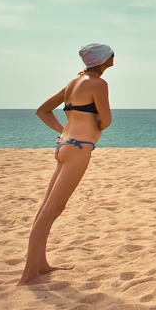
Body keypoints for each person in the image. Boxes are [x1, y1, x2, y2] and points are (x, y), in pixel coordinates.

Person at [18, 42, 115, 285]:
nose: (114, 58)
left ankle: (40, 263)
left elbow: (43, 111)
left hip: (65, 145)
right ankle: (29, 275)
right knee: (52, 210)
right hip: (80, 148)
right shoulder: (98, 84)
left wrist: (64, 132)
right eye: (111, 55)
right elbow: (106, 121)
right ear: (104, 60)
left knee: (46, 209)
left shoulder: (74, 83)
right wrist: (93, 125)